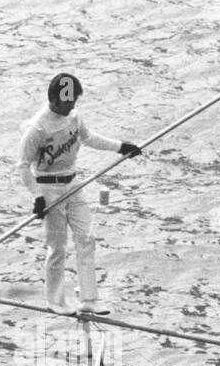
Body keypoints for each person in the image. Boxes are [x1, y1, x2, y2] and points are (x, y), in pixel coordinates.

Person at [16, 72, 142, 315]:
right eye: (66, 102)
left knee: (86, 238)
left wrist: (120, 147)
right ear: (53, 99)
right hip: (48, 188)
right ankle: (55, 301)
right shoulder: (37, 128)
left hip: (73, 184)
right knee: (58, 247)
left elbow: (88, 138)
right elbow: (22, 165)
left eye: (74, 102)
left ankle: (88, 299)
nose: (71, 106)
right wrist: (37, 197)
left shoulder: (73, 116)